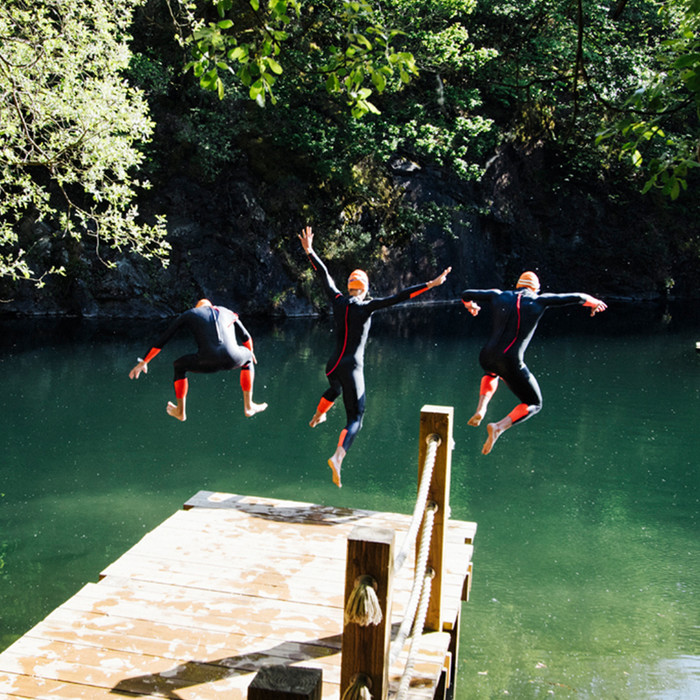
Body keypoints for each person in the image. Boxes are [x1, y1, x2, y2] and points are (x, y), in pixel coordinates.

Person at [299, 225, 451, 487]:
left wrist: (310, 251)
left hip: (332, 365)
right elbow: (400, 296)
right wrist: (431, 284)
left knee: (334, 388)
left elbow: (324, 276)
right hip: (352, 367)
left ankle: (317, 416)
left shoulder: (337, 300)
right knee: (356, 418)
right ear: (366, 289)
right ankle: (337, 457)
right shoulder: (369, 306)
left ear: (349, 287)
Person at [461, 271, 607, 455]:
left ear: (517, 285)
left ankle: (481, 409)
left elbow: (466, 294)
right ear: (536, 289)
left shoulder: (497, 295)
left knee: (491, 373)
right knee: (534, 403)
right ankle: (498, 427)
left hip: (486, 355)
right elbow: (578, 297)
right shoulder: (539, 301)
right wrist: (595, 303)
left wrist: (471, 306)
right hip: (510, 361)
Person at [128, 299, 267, 421]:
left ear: (197, 307)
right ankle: (248, 406)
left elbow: (163, 339)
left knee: (179, 366)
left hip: (206, 361)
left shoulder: (191, 314)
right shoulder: (228, 312)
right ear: (212, 306)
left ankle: (180, 411)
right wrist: (251, 353)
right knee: (248, 356)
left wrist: (144, 361)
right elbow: (246, 336)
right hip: (232, 358)